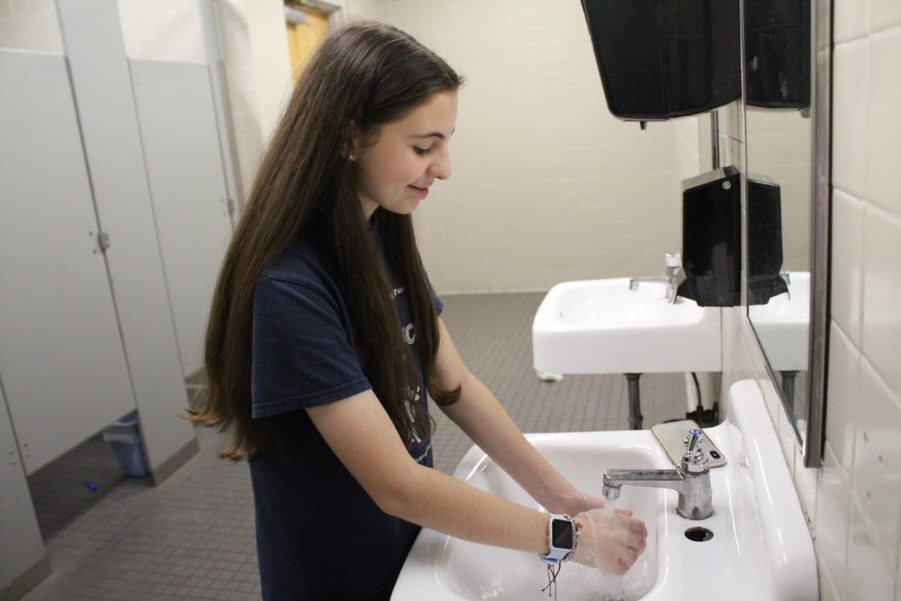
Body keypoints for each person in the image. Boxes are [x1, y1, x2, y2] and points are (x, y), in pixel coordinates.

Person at [191, 19, 647, 601]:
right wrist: (571, 538)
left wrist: (560, 497)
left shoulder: (380, 234)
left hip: (408, 552)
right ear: (349, 137)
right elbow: (397, 485)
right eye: (423, 146)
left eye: (447, 141)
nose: (445, 166)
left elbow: (454, 384)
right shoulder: (290, 289)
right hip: (339, 572)